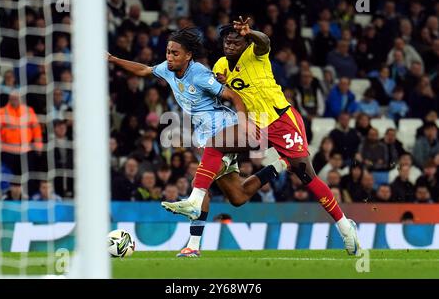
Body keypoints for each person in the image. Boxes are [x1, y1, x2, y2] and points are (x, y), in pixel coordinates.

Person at [176, 18, 359, 257]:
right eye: (227, 42)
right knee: (215, 144)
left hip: (282, 121)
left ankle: (346, 228)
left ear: (245, 44)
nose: (230, 46)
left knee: (306, 175)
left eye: (236, 42)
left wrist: (251, 33)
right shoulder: (220, 65)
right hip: (254, 124)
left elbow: (264, 41)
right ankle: (195, 198)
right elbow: (221, 95)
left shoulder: (256, 52)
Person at [108, 27, 288, 255]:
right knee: (238, 196)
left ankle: (193, 246)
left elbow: (232, 95)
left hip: (224, 131)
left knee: (200, 182)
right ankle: (281, 164)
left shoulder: (200, 74)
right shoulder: (167, 69)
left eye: (175, 53)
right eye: (168, 52)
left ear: (188, 56)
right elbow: (144, 69)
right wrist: (112, 59)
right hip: (206, 137)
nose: (169, 57)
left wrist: (242, 122)